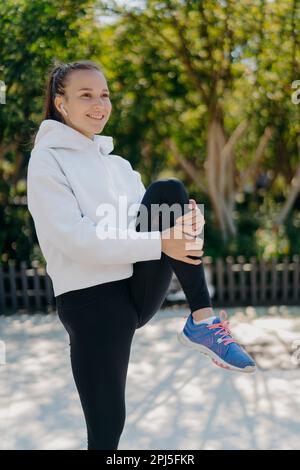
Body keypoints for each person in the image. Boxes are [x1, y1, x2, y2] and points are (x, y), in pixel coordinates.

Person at [26, 60, 256, 450]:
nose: (100, 104)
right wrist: (162, 241)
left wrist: (187, 224)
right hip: (92, 302)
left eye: (105, 95)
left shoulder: (119, 165)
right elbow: (75, 239)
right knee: (107, 426)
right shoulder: (47, 161)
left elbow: (147, 227)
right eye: (86, 95)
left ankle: (202, 320)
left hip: (137, 287)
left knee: (168, 191)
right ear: (60, 103)